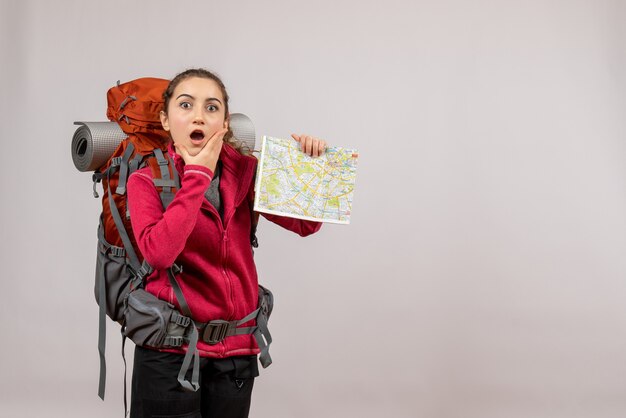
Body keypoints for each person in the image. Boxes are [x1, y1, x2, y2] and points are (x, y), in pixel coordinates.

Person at [126, 68, 326, 418]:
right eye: (185, 105)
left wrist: (310, 169)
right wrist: (197, 176)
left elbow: (306, 225)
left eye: (212, 107)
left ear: (225, 122)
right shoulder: (146, 181)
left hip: (235, 354)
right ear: (166, 119)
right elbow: (158, 254)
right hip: (169, 353)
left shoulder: (247, 172)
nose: (199, 115)